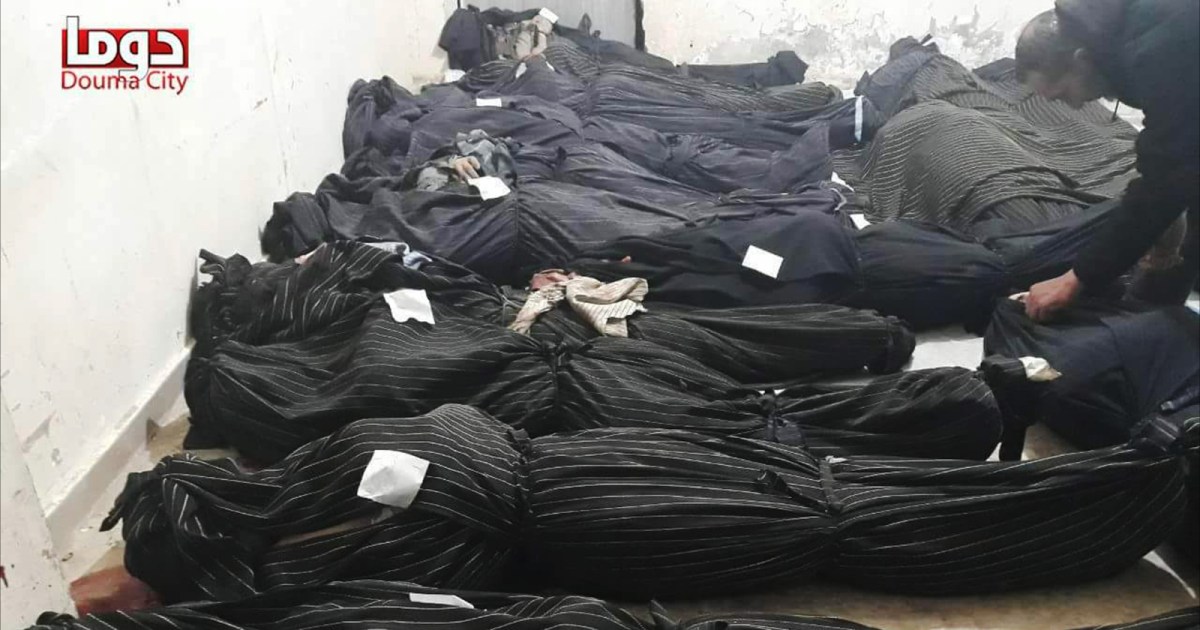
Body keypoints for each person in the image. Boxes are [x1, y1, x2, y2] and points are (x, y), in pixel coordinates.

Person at [1014, 0, 1198, 321]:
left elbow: (1166, 176)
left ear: (1081, 60)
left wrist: (1076, 279)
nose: (1073, 106)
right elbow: (1174, 150)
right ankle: (1151, 318)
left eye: (1063, 94)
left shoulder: (1158, 45)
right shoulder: (1124, 35)